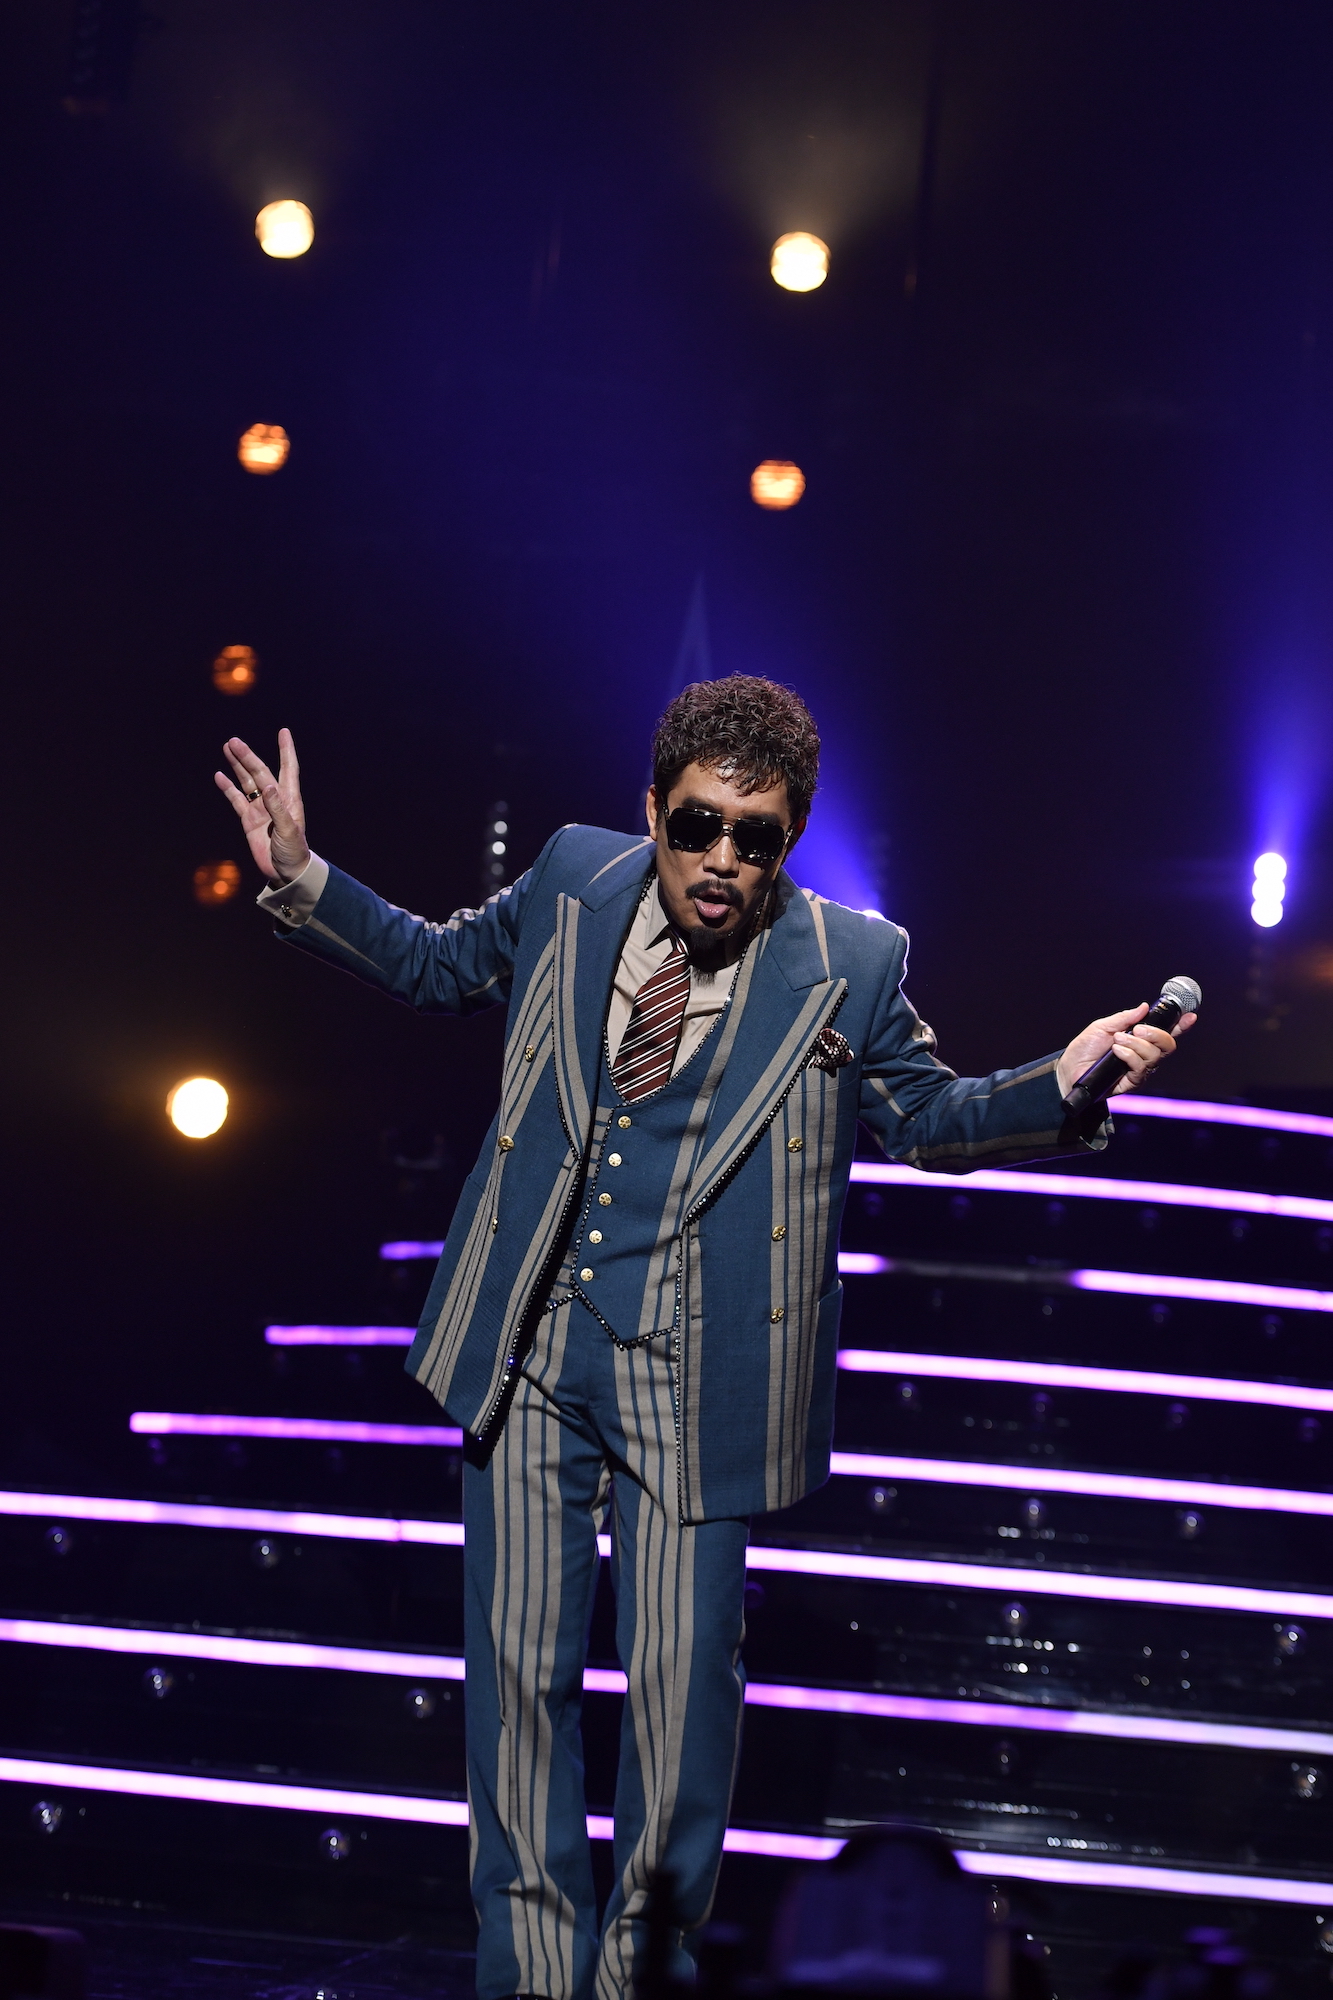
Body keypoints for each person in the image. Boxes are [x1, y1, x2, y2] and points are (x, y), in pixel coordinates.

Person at [216, 676, 1191, 2000]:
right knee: (517, 1692)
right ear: (652, 812)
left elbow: (927, 1117)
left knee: (679, 1722)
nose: (721, 860)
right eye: (697, 826)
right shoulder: (571, 880)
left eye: (755, 837)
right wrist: (305, 879)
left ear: (788, 841)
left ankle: (641, 1977)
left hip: (697, 1381)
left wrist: (1060, 1084)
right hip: (529, 1352)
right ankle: (531, 1981)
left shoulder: (849, 963)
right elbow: (440, 965)